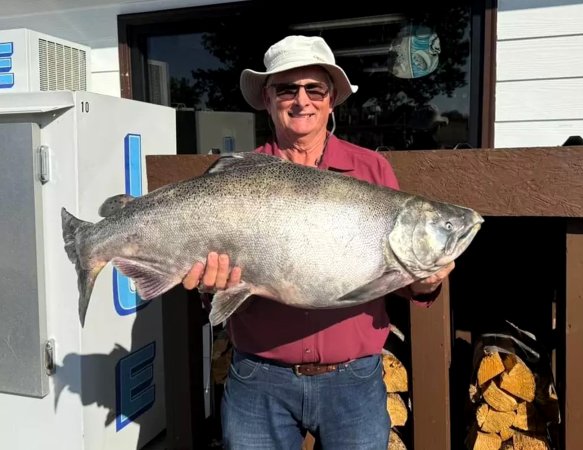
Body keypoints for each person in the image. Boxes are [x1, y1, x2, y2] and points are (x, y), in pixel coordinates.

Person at [182, 35, 455, 449]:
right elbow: (212, 283)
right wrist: (211, 286)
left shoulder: (371, 169)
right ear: (268, 99)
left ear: (331, 101)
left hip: (355, 381)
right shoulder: (236, 176)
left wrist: (425, 282)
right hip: (259, 380)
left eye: (314, 89)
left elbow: (397, 275)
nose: (301, 100)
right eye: (287, 89)